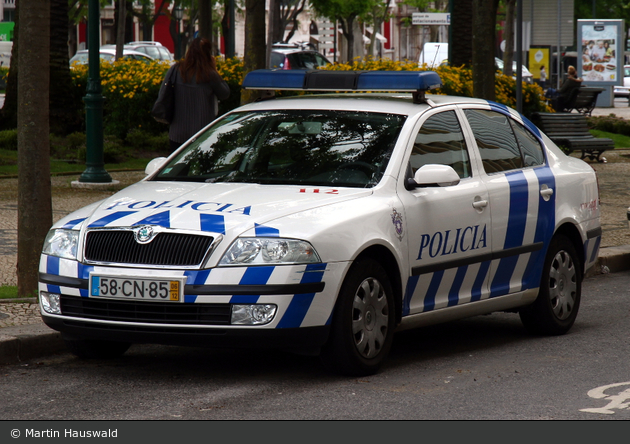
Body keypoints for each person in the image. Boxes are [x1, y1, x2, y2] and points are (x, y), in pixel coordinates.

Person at [163, 37, 230, 151]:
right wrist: (214, 69)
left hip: (178, 133)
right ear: (208, 54)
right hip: (203, 134)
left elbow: (163, 94)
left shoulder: (175, 70)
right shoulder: (210, 74)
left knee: (179, 167)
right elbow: (225, 94)